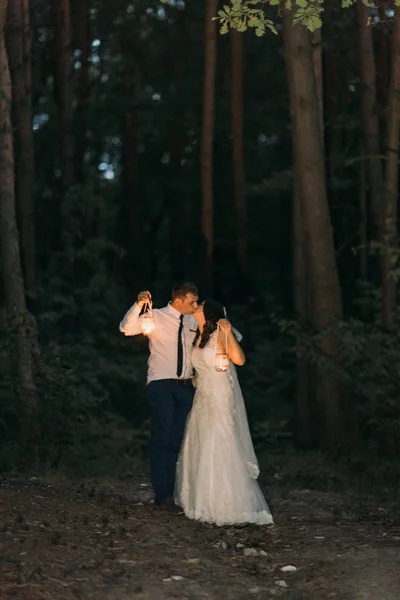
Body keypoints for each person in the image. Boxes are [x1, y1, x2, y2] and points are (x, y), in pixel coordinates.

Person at [175, 300, 273, 526]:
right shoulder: (199, 336)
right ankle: (200, 500)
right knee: (200, 439)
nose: (196, 305)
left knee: (217, 439)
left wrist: (228, 334)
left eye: (200, 304)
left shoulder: (220, 332)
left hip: (220, 394)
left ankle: (225, 502)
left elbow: (239, 359)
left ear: (208, 313)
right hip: (203, 395)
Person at [119, 282, 199, 514]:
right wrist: (138, 305)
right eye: (192, 301)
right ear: (179, 300)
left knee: (177, 440)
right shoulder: (155, 316)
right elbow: (126, 328)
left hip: (186, 386)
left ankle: (173, 493)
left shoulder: (194, 321)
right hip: (161, 384)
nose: (195, 305)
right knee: (162, 438)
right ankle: (162, 495)